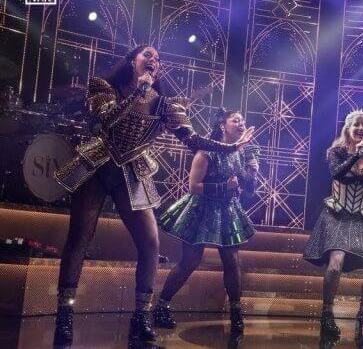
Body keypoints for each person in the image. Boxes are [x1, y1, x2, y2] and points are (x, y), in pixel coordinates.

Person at [52, 45, 255, 344]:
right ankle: (64, 315)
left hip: (132, 169)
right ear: (132, 61)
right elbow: (105, 120)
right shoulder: (103, 86)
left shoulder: (164, 104)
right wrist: (138, 92)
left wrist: (231, 147)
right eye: (147, 55)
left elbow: (192, 139)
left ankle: (141, 316)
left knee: (150, 242)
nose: (153, 60)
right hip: (98, 163)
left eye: (158, 59)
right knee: (80, 237)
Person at [153, 109, 259, 335]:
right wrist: (223, 187)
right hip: (201, 208)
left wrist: (252, 171)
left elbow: (249, 189)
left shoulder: (241, 154)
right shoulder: (206, 151)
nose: (241, 123)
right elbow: (193, 186)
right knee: (190, 260)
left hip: (227, 209)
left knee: (232, 261)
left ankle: (236, 314)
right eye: (236, 120)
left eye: (243, 120)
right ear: (223, 125)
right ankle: (161, 306)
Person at [303, 110, 363, 337]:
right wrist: (356, 156)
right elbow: (337, 173)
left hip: (360, 218)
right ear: (348, 128)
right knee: (336, 263)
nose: (361, 129)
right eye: (357, 125)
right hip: (337, 215)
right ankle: (327, 313)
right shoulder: (336, 152)